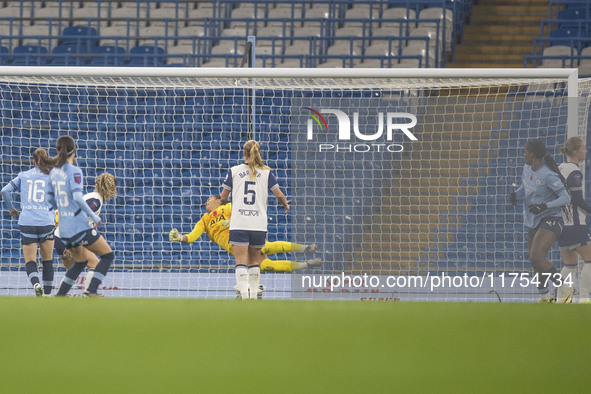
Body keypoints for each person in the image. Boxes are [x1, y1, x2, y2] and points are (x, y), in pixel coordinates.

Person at [168, 195, 321, 294]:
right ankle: (306, 265)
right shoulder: (204, 220)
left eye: (209, 199)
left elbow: (244, 212)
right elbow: (193, 235)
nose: (205, 202)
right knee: (267, 265)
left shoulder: (227, 207)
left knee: (267, 247)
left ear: (219, 200)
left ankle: (305, 248)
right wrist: (180, 238)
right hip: (235, 248)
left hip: (244, 235)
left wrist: (234, 221)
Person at [218, 140, 290, 300]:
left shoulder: (234, 171)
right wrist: (285, 205)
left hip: (239, 223)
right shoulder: (267, 172)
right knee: (254, 261)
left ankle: (244, 297)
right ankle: (253, 295)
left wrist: (223, 207)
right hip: (258, 224)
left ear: (244, 153)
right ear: (259, 153)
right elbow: (278, 194)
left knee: (241, 261)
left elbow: (223, 197)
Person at [47, 135, 115, 297]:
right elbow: (78, 201)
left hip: (63, 230)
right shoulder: (77, 175)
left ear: (58, 151)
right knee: (107, 256)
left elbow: (50, 199)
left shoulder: (54, 173)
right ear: (74, 150)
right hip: (75, 227)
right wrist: (95, 217)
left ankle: (61, 295)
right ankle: (90, 291)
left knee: (81, 262)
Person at [510, 139, 571, 303]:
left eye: (525, 152)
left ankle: (564, 287)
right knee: (535, 260)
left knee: (537, 256)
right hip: (533, 219)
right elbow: (525, 186)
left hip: (551, 218)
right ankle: (545, 296)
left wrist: (544, 206)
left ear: (532, 154)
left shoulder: (548, 174)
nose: (523, 155)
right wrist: (517, 194)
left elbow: (566, 197)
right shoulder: (526, 168)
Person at [1, 148, 56, 296]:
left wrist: (12, 209)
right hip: (46, 221)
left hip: (27, 222)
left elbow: (5, 191)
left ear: (33, 161)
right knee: (47, 260)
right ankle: (47, 295)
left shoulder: (23, 175)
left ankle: (36, 284)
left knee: (30, 260)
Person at [55, 172, 117, 294]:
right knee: (95, 264)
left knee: (73, 270)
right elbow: (77, 216)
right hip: (67, 238)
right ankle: (89, 293)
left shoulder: (91, 197)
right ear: (111, 188)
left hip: (60, 237)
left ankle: (61, 296)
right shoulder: (95, 201)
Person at [557, 137, 591, 303]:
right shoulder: (575, 171)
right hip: (575, 223)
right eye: (584, 148)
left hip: (562, 223)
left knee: (569, 264)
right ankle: (584, 298)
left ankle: (562, 299)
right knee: (590, 260)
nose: (586, 151)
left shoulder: (560, 168)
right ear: (576, 152)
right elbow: (577, 199)